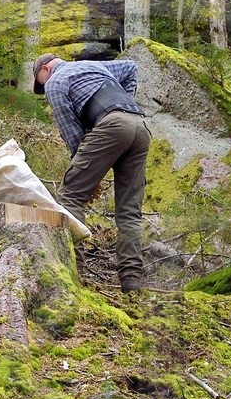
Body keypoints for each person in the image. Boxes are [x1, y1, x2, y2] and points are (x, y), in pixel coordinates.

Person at [32, 52, 151, 292]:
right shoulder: (92, 65)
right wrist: (125, 105)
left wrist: (86, 173)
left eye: (39, 82)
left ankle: (73, 271)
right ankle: (131, 282)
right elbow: (131, 67)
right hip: (140, 127)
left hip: (111, 126)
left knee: (70, 196)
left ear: (45, 69)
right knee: (129, 210)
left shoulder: (55, 82)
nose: (42, 88)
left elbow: (71, 133)